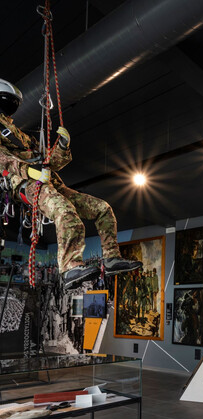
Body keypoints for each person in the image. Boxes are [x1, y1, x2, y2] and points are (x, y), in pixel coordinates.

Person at [0, 79, 141, 288]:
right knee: (65, 212)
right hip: (24, 184)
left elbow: (50, 162)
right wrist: (28, 171)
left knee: (103, 209)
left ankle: (111, 258)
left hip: (49, 181)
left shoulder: (18, 134)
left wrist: (63, 147)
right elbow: (4, 159)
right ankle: (69, 268)